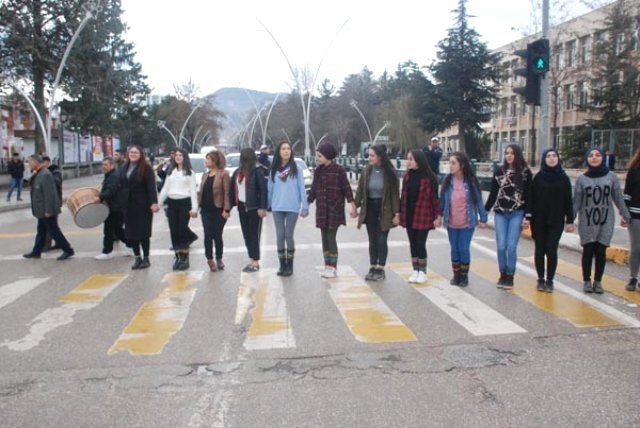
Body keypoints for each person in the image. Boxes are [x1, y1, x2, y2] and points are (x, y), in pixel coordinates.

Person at [574, 147, 630, 293]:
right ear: (587, 159)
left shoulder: (611, 177)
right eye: (591, 155)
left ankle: (598, 281)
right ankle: (587, 281)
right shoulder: (581, 179)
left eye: (597, 155)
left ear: (603, 158)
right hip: (587, 220)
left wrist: (626, 215)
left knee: (601, 250)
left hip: (606, 220)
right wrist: (569, 220)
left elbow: (618, 198)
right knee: (588, 250)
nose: (594, 157)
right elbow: (576, 202)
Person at [484, 143, 532, 289]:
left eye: (512, 153)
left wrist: (528, 216)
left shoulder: (525, 173)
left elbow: (529, 195)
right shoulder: (499, 172)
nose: (509, 156)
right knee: (501, 246)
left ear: (517, 155)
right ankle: (502, 274)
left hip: (517, 213)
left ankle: (510, 276)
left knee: (511, 246)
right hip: (500, 213)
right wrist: (484, 212)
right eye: (507, 153)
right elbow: (493, 194)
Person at [308, 140, 356, 279]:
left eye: (320, 156)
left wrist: (353, 205)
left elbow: (346, 188)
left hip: (334, 210)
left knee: (330, 238)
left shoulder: (339, 170)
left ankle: (333, 268)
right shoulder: (318, 171)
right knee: (324, 239)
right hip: (322, 210)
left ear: (328, 155)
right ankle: (327, 266)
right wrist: (307, 203)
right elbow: (314, 189)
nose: (317, 158)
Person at [528, 149, 574, 293]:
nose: (552, 158)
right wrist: (528, 217)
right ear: (544, 159)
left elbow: (568, 201)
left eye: (554, 156)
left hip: (556, 220)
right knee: (540, 249)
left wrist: (570, 220)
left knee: (551, 249)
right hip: (538, 220)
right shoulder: (538, 178)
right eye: (548, 156)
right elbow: (531, 199)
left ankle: (550, 280)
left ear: (558, 159)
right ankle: (540, 279)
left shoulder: (564, 179)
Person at [352, 144, 400, 281]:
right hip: (370, 208)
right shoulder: (367, 171)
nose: (369, 158)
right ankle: (372, 266)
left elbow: (395, 195)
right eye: (369, 155)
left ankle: (380, 268)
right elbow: (360, 190)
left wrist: (397, 213)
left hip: (385, 209)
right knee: (372, 239)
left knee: (381, 239)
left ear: (380, 157)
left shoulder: (390, 172)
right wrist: (355, 206)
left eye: (372, 155)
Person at [440, 152, 487, 287]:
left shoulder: (470, 182)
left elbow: (478, 201)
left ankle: (464, 276)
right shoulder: (447, 181)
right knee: (454, 248)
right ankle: (456, 275)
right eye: (450, 163)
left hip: (467, 222)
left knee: (463, 248)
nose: (451, 166)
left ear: (462, 165)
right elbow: (442, 201)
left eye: (453, 163)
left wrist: (483, 218)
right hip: (451, 222)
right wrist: (438, 216)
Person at [396, 150, 442, 284]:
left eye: (411, 159)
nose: (408, 161)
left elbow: (435, 198)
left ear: (418, 160)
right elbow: (403, 196)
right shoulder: (407, 177)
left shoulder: (429, 178)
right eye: (408, 159)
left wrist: (438, 215)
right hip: (409, 214)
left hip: (423, 214)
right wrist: (398, 213)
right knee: (412, 243)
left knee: (420, 243)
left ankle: (423, 271)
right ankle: (415, 270)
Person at [268, 140, 309, 277]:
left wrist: (305, 206)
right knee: (280, 235)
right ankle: (282, 265)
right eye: (283, 149)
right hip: (277, 207)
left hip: (292, 207)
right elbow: (270, 189)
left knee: (288, 235)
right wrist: (267, 205)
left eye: (288, 149)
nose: (286, 151)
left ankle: (290, 265)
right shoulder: (274, 169)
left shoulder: (296, 169)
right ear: (278, 152)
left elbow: (301, 188)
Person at [22, 154, 74, 260]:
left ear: (36, 162)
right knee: (41, 231)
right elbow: (30, 184)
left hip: (46, 210)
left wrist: (48, 210)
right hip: (41, 210)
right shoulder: (38, 173)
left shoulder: (45, 174)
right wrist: (33, 174)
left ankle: (68, 250)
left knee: (54, 231)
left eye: (30, 162)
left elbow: (49, 194)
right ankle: (36, 252)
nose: (29, 164)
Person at [120, 145, 160, 269]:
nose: (133, 154)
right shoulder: (124, 167)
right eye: (131, 152)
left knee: (143, 233)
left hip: (143, 205)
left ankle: (146, 258)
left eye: (136, 152)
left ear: (141, 154)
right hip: (128, 205)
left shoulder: (146, 168)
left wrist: (154, 202)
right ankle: (137, 257)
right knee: (131, 233)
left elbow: (151, 187)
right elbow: (120, 184)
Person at [158, 148, 198, 271]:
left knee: (182, 230)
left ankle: (185, 258)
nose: (178, 157)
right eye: (176, 155)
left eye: (181, 155)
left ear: (185, 157)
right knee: (173, 230)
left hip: (184, 203)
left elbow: (193, 191)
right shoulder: (171, 172)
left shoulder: (190, 172)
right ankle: (178, 256)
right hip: (172, 202)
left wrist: (194, 208)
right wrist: (158, 203)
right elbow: (165, 189)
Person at [229, 148, 268, 272]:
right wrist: (228, 207)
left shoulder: (257, 170)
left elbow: (263, 190)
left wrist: (262, 207)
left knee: (254, 235)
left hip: (254, 208)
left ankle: (255, 262)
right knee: (246, 235)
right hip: (242, 207)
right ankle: (251, 259)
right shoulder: (238, 172)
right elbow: (232, 190)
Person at [199, 150, 231, 272]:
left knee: (217, 235)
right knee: (207, 235)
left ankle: (219, 258)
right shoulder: (205, 175)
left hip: (218, 210)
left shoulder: (223, 174)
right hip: (205, 211)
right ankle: (209, 259)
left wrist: (226, 209)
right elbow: (201, 193)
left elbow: (227, 192)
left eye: (208, 159)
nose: (206, 161)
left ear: (215, 161)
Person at [94, 156, 127, 260]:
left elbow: (111, 190)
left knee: (109, 230)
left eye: (106, 164)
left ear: (112, 165)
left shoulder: (114, 176)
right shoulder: (110, 175)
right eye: (102, 164)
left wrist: (100, 197)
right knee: (117, 230)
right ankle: (132, 245)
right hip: (114, 207)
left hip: (115, 207)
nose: (103, 166)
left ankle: (107, 252)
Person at [624, 147, 640, 291]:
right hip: (635, 215)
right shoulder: (634, 171)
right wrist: (625, 214)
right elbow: (627, 194)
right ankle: (633, 277)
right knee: (636, 248)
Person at [41, 156, 63, 252]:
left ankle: (47, 244)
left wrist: (47, 176)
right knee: (53, 224)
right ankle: (59, 242)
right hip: (47, 201)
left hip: (54, 201)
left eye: (42, 162)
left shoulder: (55, 172)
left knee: (49, 224)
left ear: (47, 162)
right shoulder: (43, 172)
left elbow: (57, 182)